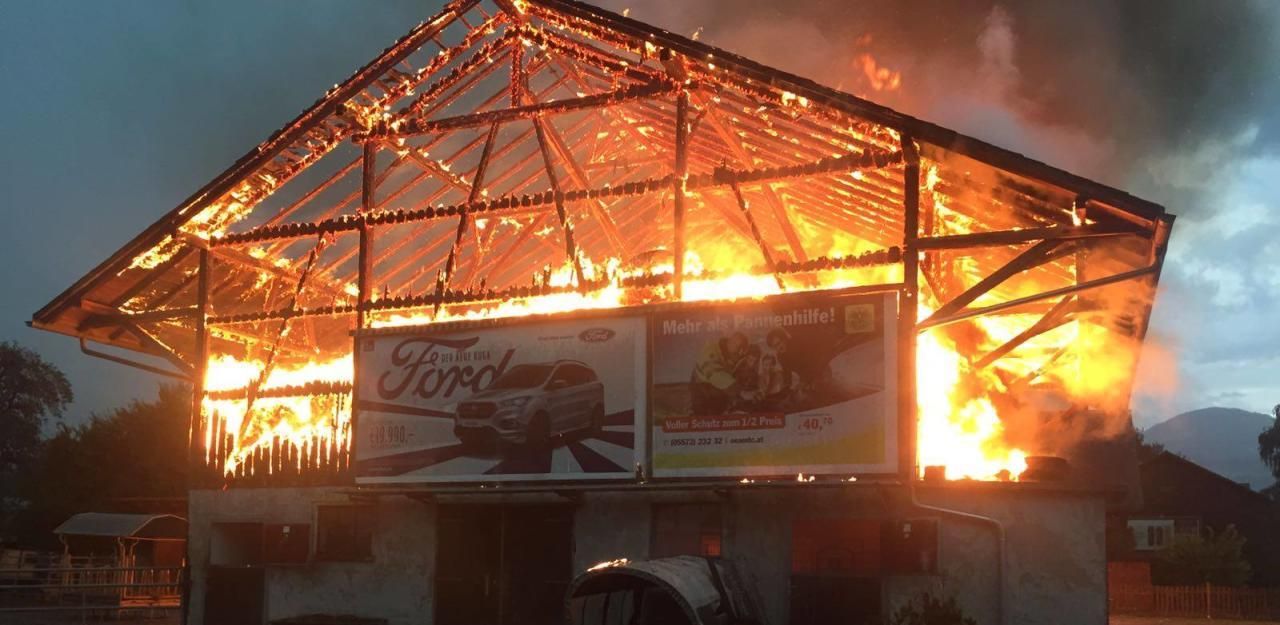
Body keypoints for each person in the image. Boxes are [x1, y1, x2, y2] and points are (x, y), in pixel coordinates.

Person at [689, 331, 748, 414]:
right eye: (738, 346)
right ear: (730, 342)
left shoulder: (734, 355)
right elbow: (715, 375)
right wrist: (741, 392)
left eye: (742, 348)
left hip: (719, 388)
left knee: (719, 411)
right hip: (701, 385)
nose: (740, 351)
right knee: (701, 414)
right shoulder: (711, 350)